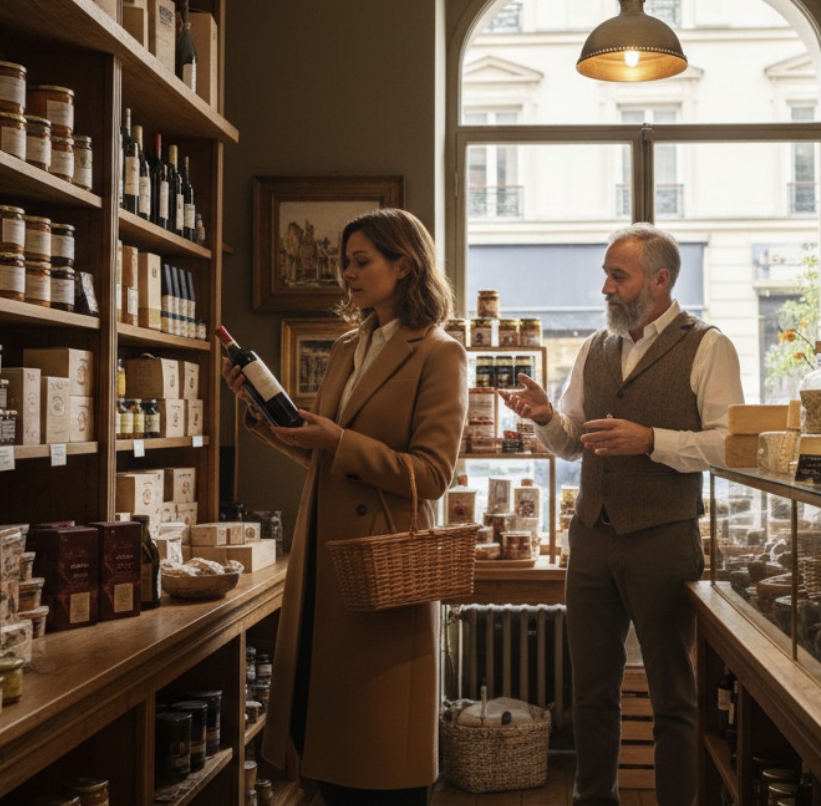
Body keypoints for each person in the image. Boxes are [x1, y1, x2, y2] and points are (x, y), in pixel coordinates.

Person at [224, 208, 467, 806]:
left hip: (381, 563)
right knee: (329, 751)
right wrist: (264, 418)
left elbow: (432, 475)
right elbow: (328, 458)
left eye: (362, 262)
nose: (347, 275)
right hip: (325, 558)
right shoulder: (347, 347)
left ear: (403, 265)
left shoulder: (440, 353)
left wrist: (339, 441)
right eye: (345, 262)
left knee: (382, 754)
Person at [501, 223, 744, 806]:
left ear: (658, 281)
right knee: (590, 693)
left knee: (674, 699)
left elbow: (731, 444)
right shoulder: (595, 348)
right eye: (606, 274)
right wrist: (542, 418)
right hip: (589, 537)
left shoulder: (709, 345)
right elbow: (571, 442)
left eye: (618, 275)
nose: (605, 287)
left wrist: (651, 439)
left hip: (663, 538)